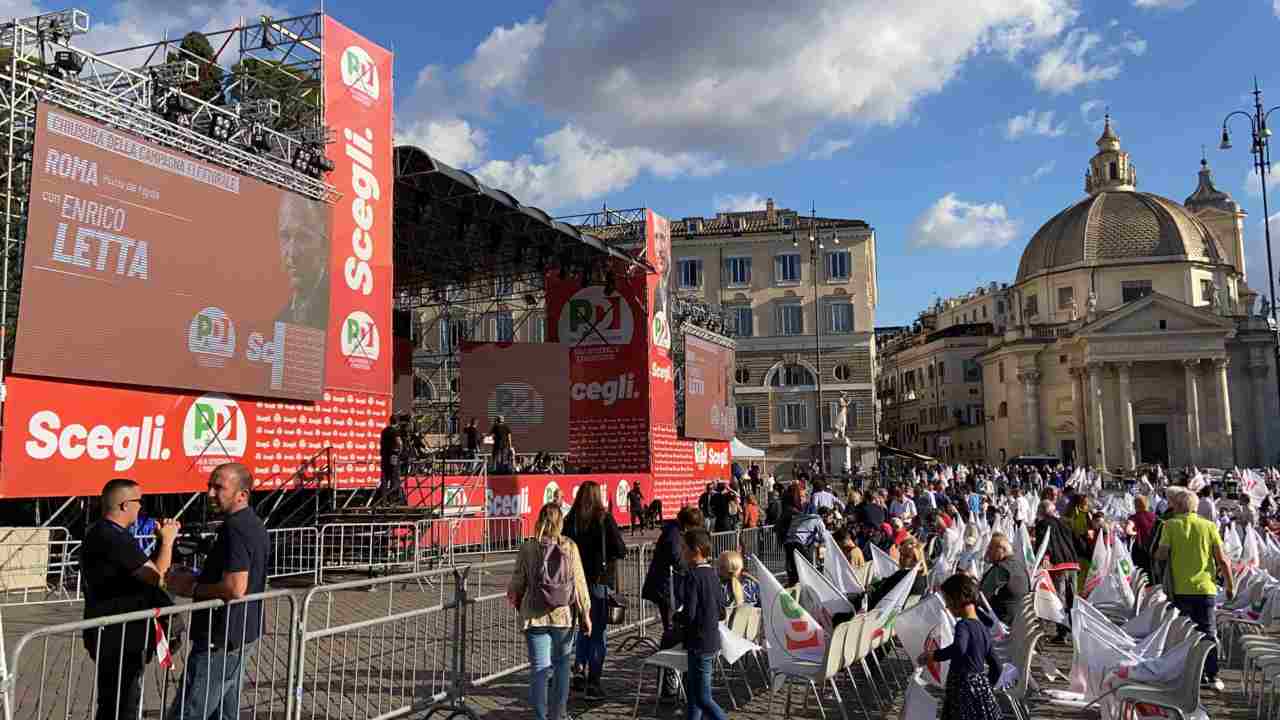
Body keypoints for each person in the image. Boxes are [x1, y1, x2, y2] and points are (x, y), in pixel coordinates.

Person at [165, 463, 270, 720]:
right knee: (223, 713)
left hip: (221, 637)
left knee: (189, 712)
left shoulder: (236, 528)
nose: (210, 493)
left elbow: (236, 587)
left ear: (241, 495)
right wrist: (199, 576)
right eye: (209, 486)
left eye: (218, 487)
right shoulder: (252, 523)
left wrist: (192, 587)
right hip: (240, 632)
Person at [82, 479, 180, 720]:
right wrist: (167, 541)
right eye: (139, 502)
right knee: (121, 703)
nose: (141, 509)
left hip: (113, 630)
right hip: (119, 635)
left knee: (114, 700)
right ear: (125, 505)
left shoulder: (101, 531)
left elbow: (144, 572)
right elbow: (155, 577)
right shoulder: (113, 537)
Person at [507, 504, 592, 720]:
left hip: (535, 615)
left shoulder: (528, 547)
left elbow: (517, 583)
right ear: (560, 522)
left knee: (539, 669)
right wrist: (585, 614)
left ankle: (540, 717)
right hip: (562, 615)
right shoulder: (569, 546)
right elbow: (579, 582)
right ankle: (559, 714)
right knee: (562, 666)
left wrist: (516, 601)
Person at [1155, 487, 1235, 691]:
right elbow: (1223, 560)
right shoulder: (1209, 526)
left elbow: (1161, 555)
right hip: (1205, 588)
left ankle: (1189, 673)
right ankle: (1212, 673)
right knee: (1208, 632)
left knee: (1185, 634)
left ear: (1177, 506)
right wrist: (1230, 585)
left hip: (1181, 589)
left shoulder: (1170, 526)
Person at [563, 481, 627, 697]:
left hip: (573, 582)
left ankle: (579, 668)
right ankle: (594, 681)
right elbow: (620, 548)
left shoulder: (570, 520)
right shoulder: (603, 518)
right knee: (598, 633)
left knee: (583, 626)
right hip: (598, 581)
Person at [918, 574, 1002, 720]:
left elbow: (959, 648)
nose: (947, 606)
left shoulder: (963, 625)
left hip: (960, 689)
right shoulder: (983, 628)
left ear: (957, 599)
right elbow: (997, 666)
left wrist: (933, 655)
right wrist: (986, 688)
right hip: (979, 688)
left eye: (948, 601)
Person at [675, 529, 729, 720]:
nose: (681, 552)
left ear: (695, 550)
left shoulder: (693, 576)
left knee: (703, 697)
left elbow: (689, 614)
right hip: (711, 640)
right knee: (693, 694)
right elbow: (722, 610)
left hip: (698, 641)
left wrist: (677, 618)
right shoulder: (713, 574)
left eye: (684, 548)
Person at [642, 507, 702, 644]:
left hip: (671, 584)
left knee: (674, 621)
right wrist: (693, 565)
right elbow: (676, 557)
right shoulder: (673, 533)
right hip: (664, 585)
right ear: (687, 523)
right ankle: (667, 651)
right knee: (670, 624)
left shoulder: (677, 532)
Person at [275, 192, 330, 328]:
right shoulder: (281, 320)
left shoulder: (341, 307)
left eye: (303, 237)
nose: (292, 253)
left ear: (323, 246)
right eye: (285, 236)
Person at [1034, 499, 1085, 643]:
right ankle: (1076, 628)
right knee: (1073, 598)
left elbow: (1044, 543)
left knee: (1060, 599)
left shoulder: (1043, 524)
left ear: (1041, 511)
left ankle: (1063, 632)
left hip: (1057, 564)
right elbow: (1076, 541)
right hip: (1072, 564)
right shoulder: (1065, 522)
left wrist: (1045, 557)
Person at [978, 533, 1028, 625]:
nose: (988, 553)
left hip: (1002, 621)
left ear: (1001, 550)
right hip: (1020, 618)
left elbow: (982, 596)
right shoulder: (1020, 566)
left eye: (990, 549)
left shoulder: (1001, 568)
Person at [867, 535, 928, 608]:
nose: (901, 558)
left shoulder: (911, 578)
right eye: (901, 554)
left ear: (916, 560)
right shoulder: (910, 574)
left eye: (906, 556)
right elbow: (885, 582)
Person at [783, 506, 828, 586]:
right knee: (808, 564)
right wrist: (822, 542)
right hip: (797, 542)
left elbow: (805, 531)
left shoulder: (800, 517)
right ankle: (810, 585)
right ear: (824, 515)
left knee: (793, 565)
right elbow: (824, 537)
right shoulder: (818, 520)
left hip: (787, 542)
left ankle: (793, 584)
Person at [1130, 496, 1159, 571]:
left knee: (1141, 573)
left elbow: (1128, 531)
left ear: (1135, 505)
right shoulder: (1155, 517)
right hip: (1153, 548)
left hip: (1139, 548)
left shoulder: (1133, 517)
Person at [378, 416, 402, 504]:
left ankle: (383, 500)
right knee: (394, 476)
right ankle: (393, 499)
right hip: (393, 456)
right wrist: (400, 451)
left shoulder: (384, 431)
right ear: (397, 422)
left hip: (384, 456)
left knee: (384, 478)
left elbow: (380, 442)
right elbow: (399, 442)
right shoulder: (395, 431)